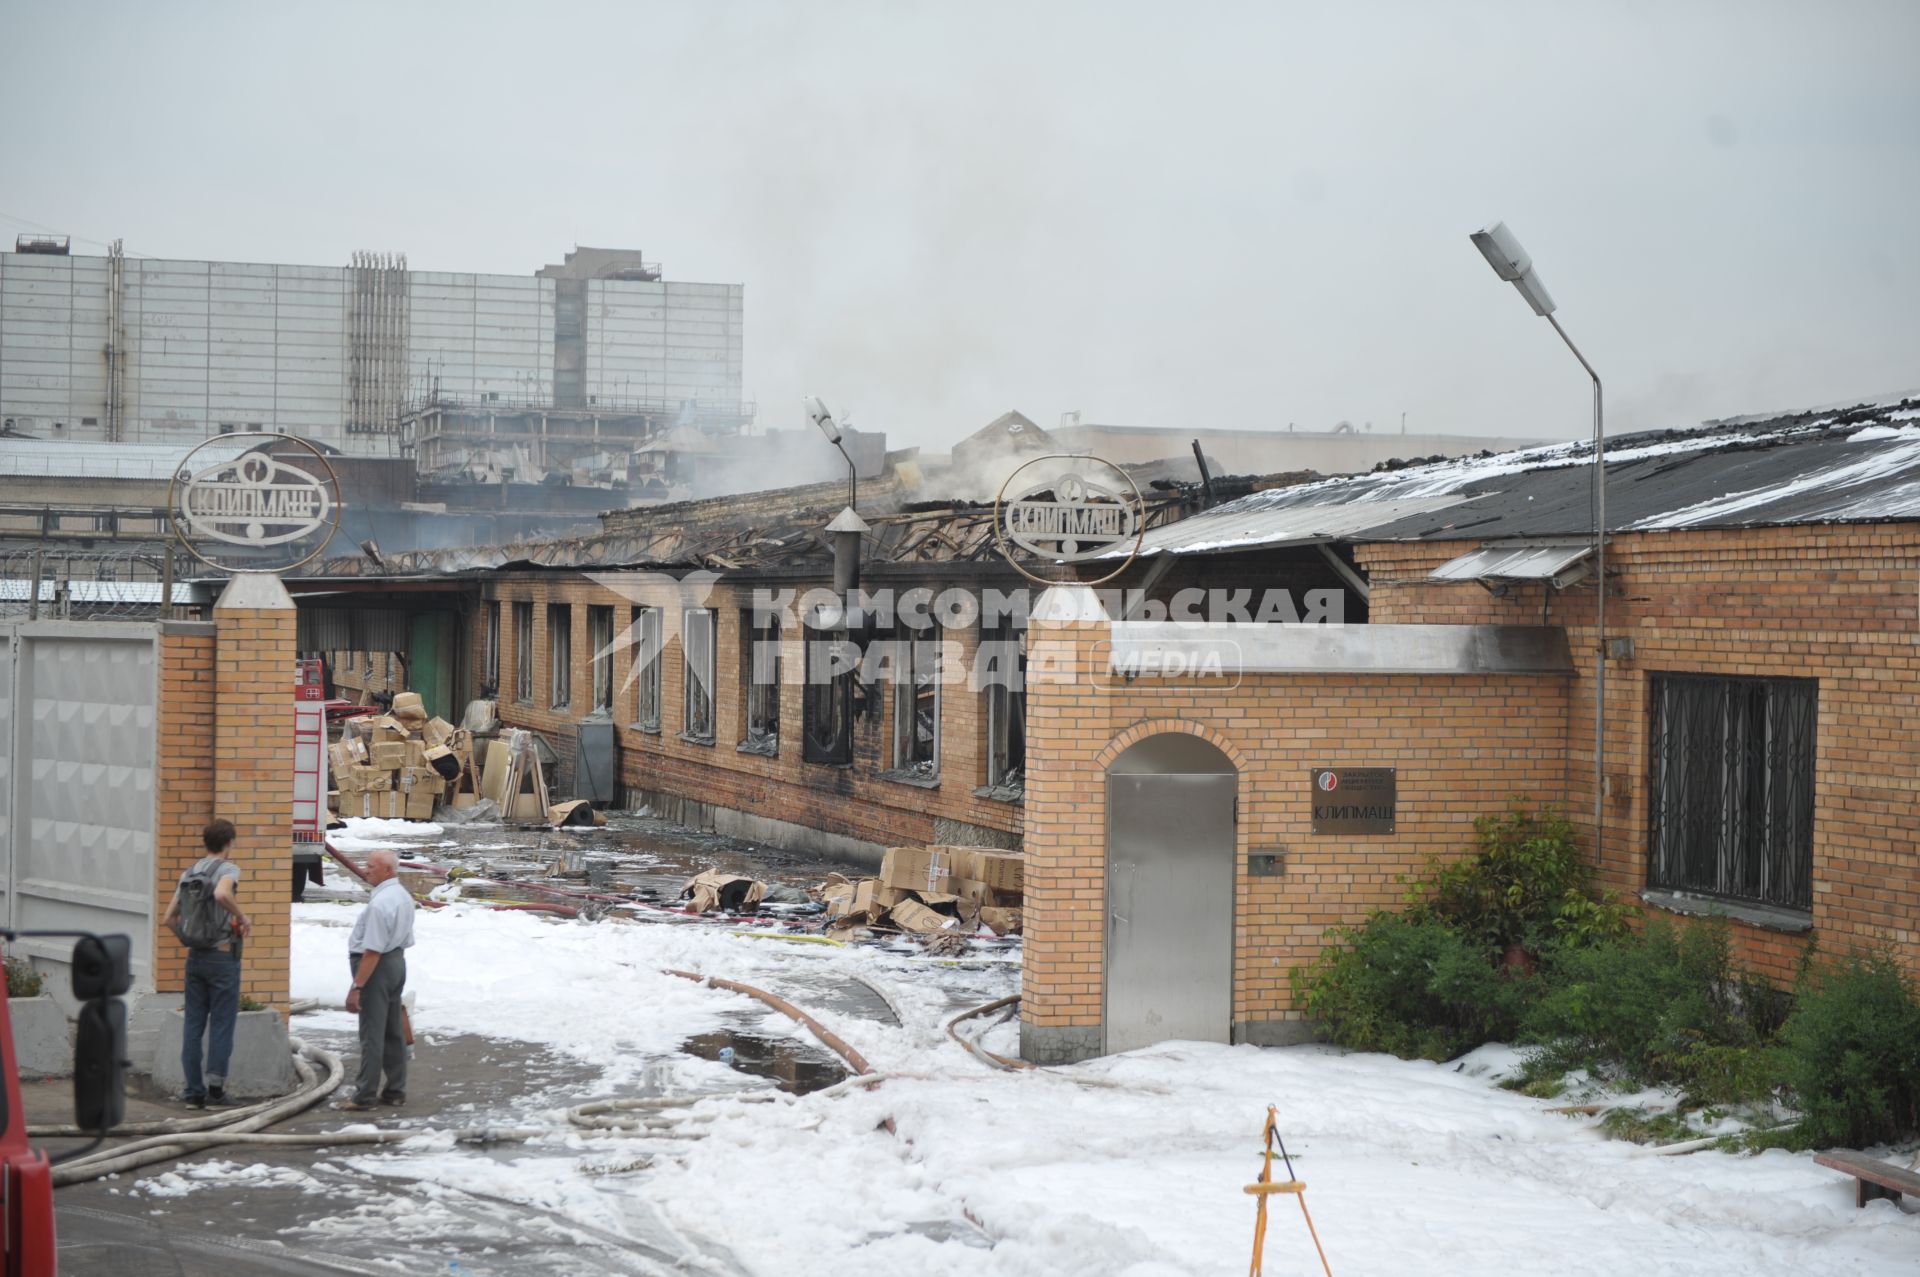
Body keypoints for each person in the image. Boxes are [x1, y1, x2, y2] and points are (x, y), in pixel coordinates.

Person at [160, 818, 252, 1109]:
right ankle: (215, 1090)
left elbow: (168, 919)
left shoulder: (189, 873)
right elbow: (222, 893)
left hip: (195, 958)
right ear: (229, 843)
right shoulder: (228, 869)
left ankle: (193, 1092)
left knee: (193, 1024)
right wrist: (242, 916)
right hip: (222, 957)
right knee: (222, 1023)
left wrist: (188, 940)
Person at [340, 849, 416, 1111]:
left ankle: (365, 1095)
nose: (366, 869)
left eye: (372, 866)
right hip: (396, 962)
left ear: (388, 870)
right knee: (393, 1031)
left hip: (377, 966)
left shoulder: (381, 903)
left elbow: (372, 950)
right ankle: (395, 1090)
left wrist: (357, 987)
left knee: (372, 1033)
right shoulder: (402, 896)